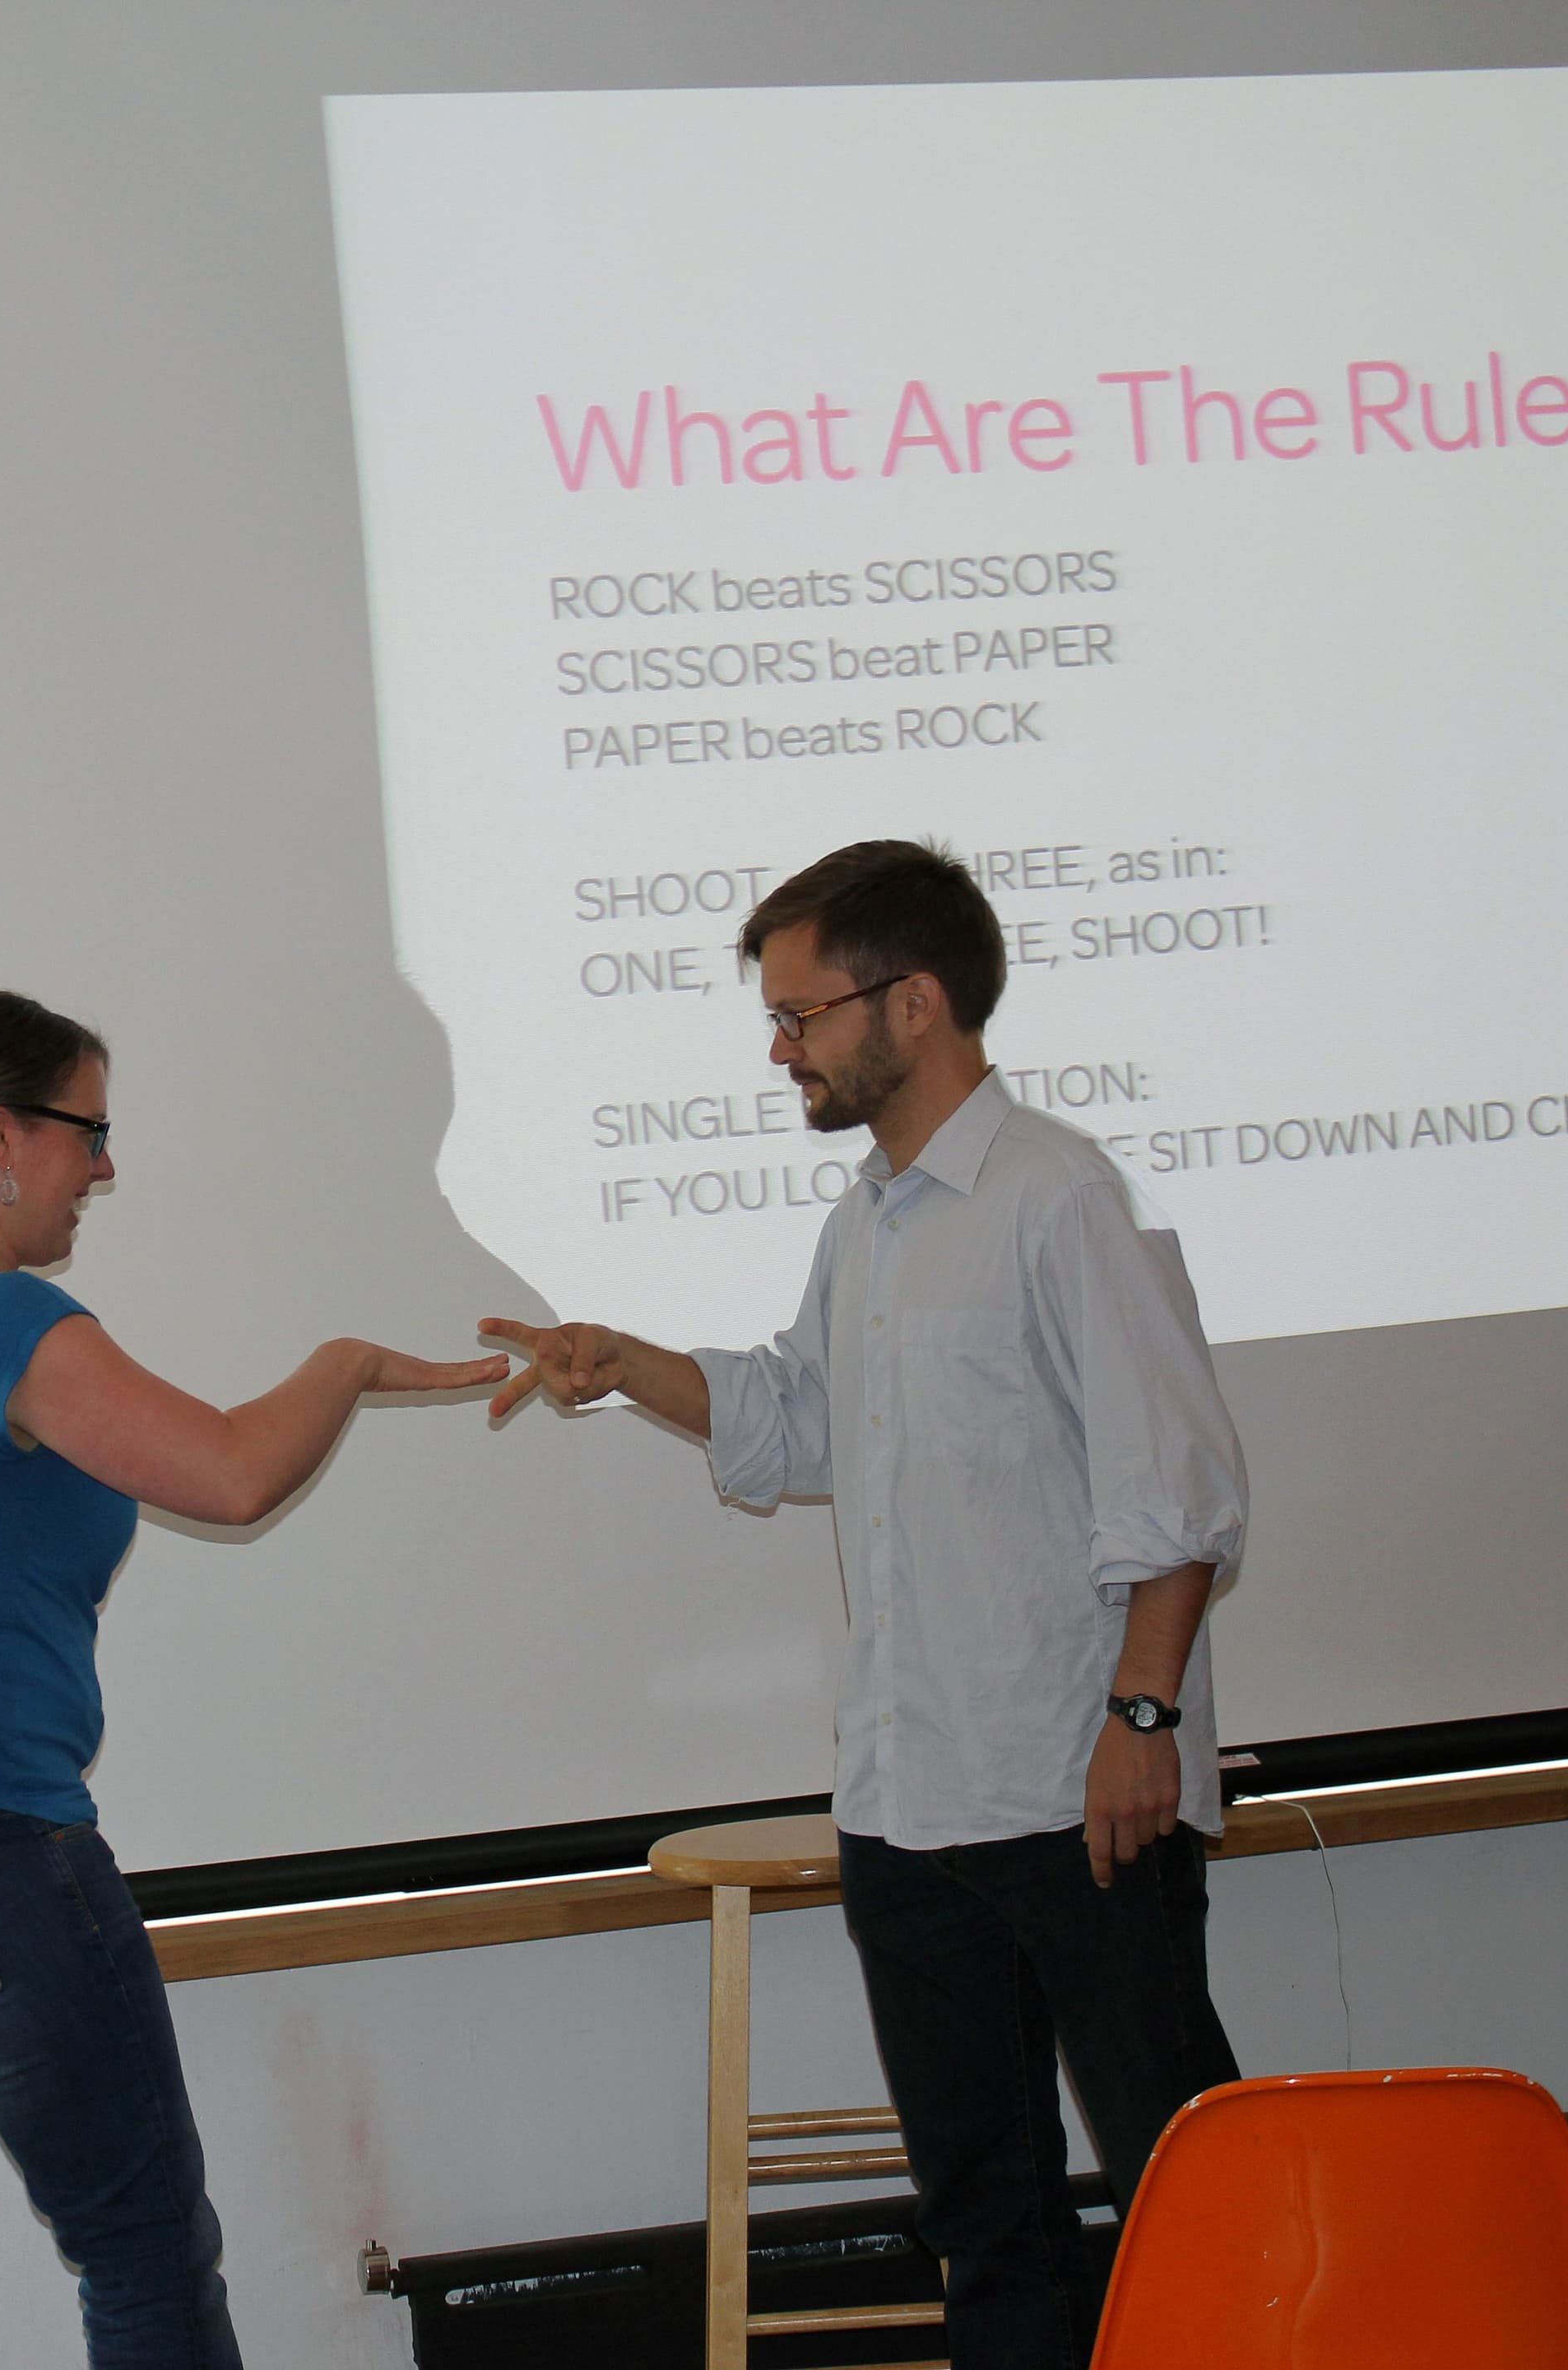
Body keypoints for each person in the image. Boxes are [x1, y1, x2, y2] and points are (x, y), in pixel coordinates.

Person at [483, 839, 1249, 2370]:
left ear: (913, 1003)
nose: (781, 1050)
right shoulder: (870, 1222)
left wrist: (1142, 1719)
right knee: (986, 2223)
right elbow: (802, 1420)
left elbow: (1180, 1492)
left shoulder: (1060, 1197)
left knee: (1194, 2197)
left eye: (800, 1014)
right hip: (910, 1807)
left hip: (1077, 1792)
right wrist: (624, 1360)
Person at [0, 990, 505, 2368]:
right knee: (145, 2247)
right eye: (88, 1133)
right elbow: (229, 1473)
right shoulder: (1, 1322)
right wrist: (345, 1365)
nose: (103, 1167)